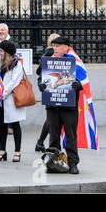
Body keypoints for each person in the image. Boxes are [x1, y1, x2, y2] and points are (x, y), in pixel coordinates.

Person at [37, 36, 82, 174]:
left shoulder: (74, 63)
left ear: (66, 48)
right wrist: (41, 85)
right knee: (53, 135)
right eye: (54, 46)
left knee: (70, 135)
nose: (54, 48)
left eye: (57, 46)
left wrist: (78, 85)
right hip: (52, 105)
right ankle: (53, 162)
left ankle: (73, 163)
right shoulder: (48, 61)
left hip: (69, 106)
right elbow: (41, 79)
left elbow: (81, 81)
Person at [0, 40, 25, 163]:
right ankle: (2, 150)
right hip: (0, 99)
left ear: (6, 52)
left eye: (1, 50)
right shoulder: (0, 63)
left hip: (11, 99)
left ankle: (17, 151)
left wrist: (2, 94)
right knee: (2, 125)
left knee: (15, 125)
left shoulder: (17, 64)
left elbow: (14, 82)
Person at [0, 23, 20, 136]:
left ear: (7, 31)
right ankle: (0, 125)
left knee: (9, 102)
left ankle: (10, 126)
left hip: (10, 75)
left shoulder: (14, 43)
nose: (1, 32)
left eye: (3, 30)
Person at [35, 33, 60, 153]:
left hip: (47, 85)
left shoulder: (46, 52)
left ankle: (40, 142)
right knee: (51, 117)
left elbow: (39, 70)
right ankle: (45, 142)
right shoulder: (51, 53)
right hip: (52, 86)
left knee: (50, 117)